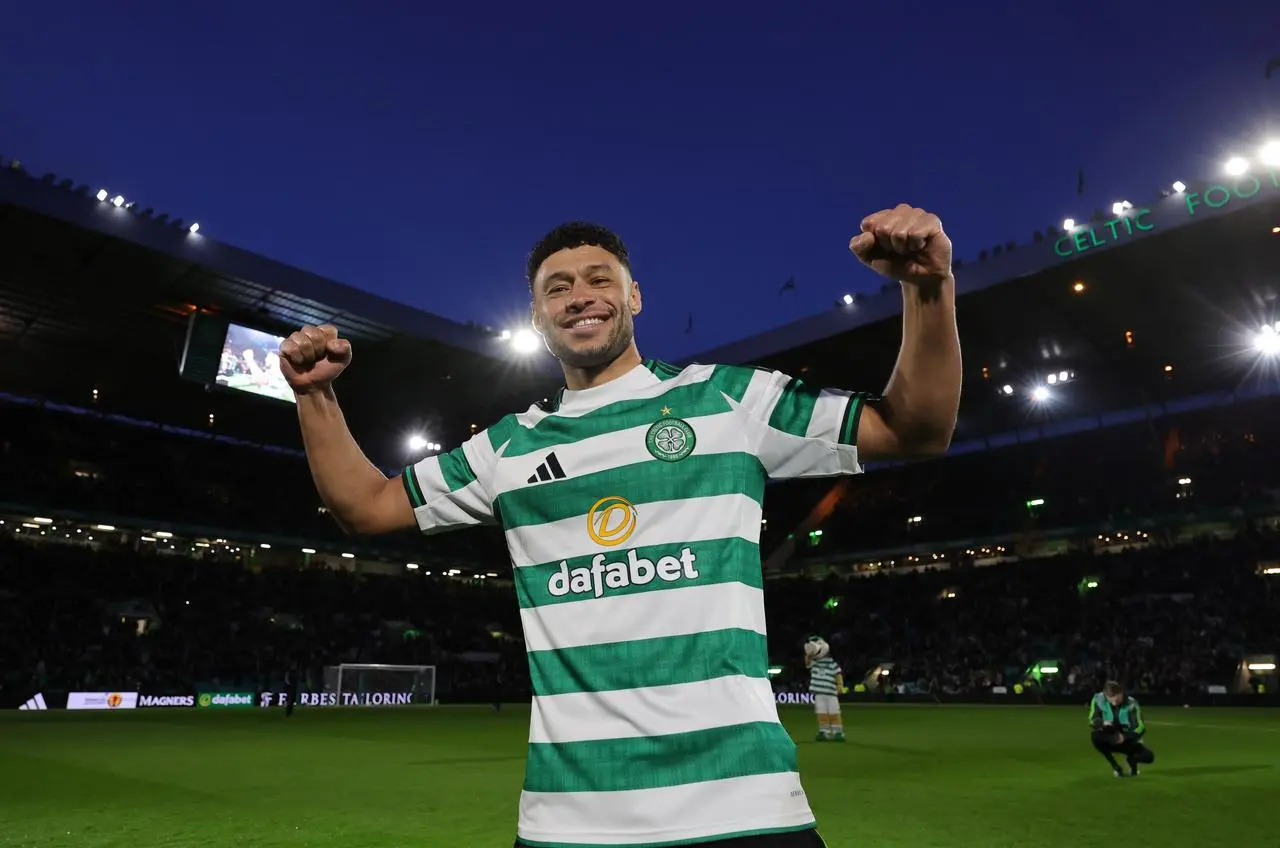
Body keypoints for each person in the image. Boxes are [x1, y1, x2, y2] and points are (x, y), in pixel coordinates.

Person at [280, 205, 962, 848]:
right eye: (558, 288)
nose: (580, 295)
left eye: (600, 279)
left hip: (746, 807)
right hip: (572, 822)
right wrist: (315, 394)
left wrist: (928, 290)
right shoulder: (508, 448)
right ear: (538, 318)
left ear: (635, 297)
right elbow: (365, 504)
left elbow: (915, 429)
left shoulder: (728, 400)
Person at [1089, 681, 1154, 777]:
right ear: (1106, 696)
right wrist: (1103, 723)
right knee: (1095, 736)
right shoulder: (1098, 699)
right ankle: (1116, 767)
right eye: (1111, 701)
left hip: (1127, 739)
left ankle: (1132, 761)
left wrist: (1125, 737)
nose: (1115, 703)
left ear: (1121, 693)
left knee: (1149, 757)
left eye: (1117, 700)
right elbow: (1091, 720)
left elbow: (1140, 727)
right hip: (1110, 738)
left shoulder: (1131, 703)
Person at [804, 636, 846, 742]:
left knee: (834, 712)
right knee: (821, 712)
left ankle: (838, 732)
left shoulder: (832, 663)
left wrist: (840, 685)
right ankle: (824, 731)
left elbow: (838, 674)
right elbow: (807, 663)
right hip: (819, 694)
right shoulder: (814, 663)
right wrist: (808, 653)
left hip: (831, 693)